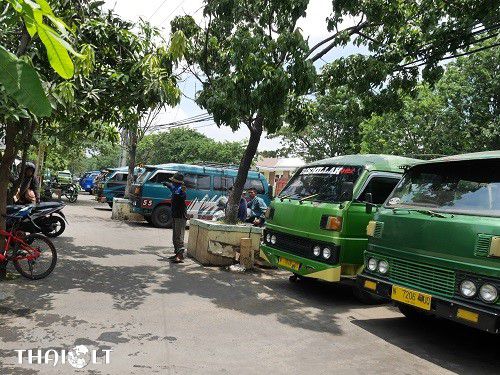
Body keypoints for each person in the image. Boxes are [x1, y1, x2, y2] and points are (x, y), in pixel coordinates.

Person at [163, 173, 187, 263]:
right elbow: (173, 189)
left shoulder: (181, 190)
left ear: (176, 182)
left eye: (172, 181)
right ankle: (177, 253)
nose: (171, 182)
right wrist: (168, 185)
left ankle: (180, 256)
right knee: (175, 237)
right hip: (175, 215)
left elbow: (177, 193)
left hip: (180, 216)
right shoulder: (176, 189)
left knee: (179, 236)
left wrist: (168, 185)